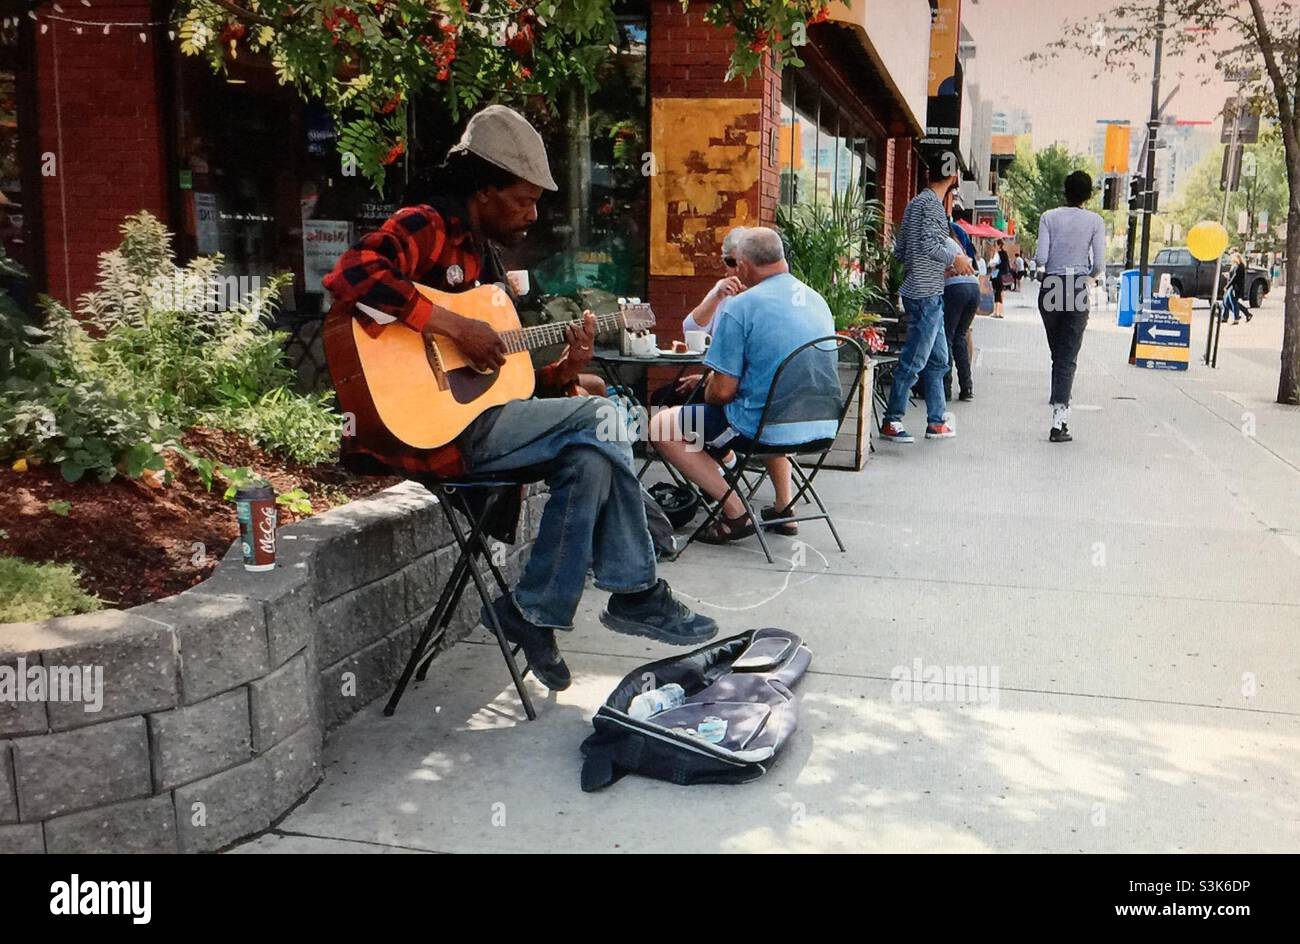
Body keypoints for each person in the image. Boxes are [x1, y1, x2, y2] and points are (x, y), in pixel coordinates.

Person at [324, 105, 716, 692]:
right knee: (605, 414)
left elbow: (512, 389)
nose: (533, 214)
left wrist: (568, 367)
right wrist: (451, 325)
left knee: (589, 453)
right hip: (431, 434)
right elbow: (353, 275)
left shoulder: (486, 259)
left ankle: (530, 611)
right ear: (482, 190)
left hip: (479, 423)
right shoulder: (426, 224)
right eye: (522, 200)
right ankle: (636, 590)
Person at [649, 228, 837, 542]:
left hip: (763, 429)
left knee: (661, 426)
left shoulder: (742, 306)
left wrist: (708, 386)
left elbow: (722, 393)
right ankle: (783, 506)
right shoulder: (816, 300)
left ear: (745, 266)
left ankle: (735, 513)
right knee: (768, 404)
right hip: (822, 425)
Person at [879, 153, 974, 443]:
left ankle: (936, 420)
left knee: (937, 361)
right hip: (927, 292)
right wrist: (954, 258)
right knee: (916, 359)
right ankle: (892, 419)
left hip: (921, 289)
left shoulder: (914, 203)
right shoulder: (932, 206)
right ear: (954, 177)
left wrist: (927, 265)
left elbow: (902, 249)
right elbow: (930, 244)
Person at [1033, 169, 1107, 443]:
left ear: (1065, 191)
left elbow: (1041, 257)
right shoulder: (1095, 221)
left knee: (1058, 354)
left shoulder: (1048, 217)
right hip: (1076, 285)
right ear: (1088, 195)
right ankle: (1059, 419)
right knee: (1067, 356)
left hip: (1051, 284)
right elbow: (1099, 264)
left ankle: (1060, 402)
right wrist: (1087, 277)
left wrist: (1046, 271)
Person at [944, 199, 980, 402]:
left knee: (947, 338)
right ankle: (967, 387)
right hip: (973, 287)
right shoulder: (956, 242)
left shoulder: (939, 242)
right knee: (960, 336)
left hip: (955, 289)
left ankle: (945, 386)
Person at [1222, 249, 1252, 324]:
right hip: (1233, 286)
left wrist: (1227, 286)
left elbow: (1235, 278)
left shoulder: (1239, 266)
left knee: (1233, 302)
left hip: (1235, 287)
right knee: (1227, 302)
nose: (1231, 259)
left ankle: (1237, 318)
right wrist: (1228, 275)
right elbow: (1232, 276)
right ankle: (1246, 314)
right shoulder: (1235, 265)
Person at [987, 242, 1005, 318]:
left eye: (993, 247)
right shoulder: (1000, 254)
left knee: (997, 293)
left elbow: (992, 264)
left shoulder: (997, 255)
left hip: (996, 276)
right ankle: (999, 312)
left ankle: (997, 312)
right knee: (999, 293)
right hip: (997, 276)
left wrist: (990, 262)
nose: (991, 249)